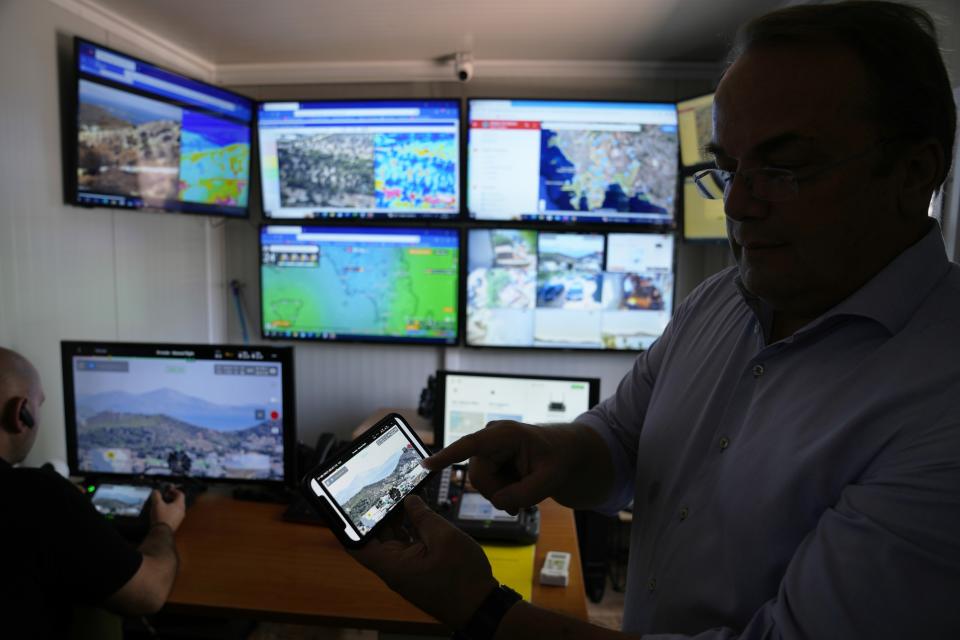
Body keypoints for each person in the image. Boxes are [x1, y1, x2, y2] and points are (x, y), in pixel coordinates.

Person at [352, 2, 960, 638]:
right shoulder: (720, 299)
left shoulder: (941, 404)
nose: (738, 204)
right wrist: (556, 450)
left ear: (915, 172)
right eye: (726, 168)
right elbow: (621, 440)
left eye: (785, 168)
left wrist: (478, 607)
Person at [0, 346, 186, 638]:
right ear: (20, 413)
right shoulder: (37, 496)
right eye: (38, 404)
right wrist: (164, 525)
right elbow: (149, 593)